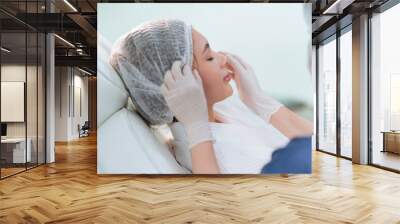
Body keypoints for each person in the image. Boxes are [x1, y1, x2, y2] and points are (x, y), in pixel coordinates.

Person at [110, 19, 313, 174]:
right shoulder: (196, 148)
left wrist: (260, 101)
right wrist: (197, 128)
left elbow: (314, 145)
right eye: (209, 57)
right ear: (180, 82)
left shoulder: (224, 108)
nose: (224, 58)